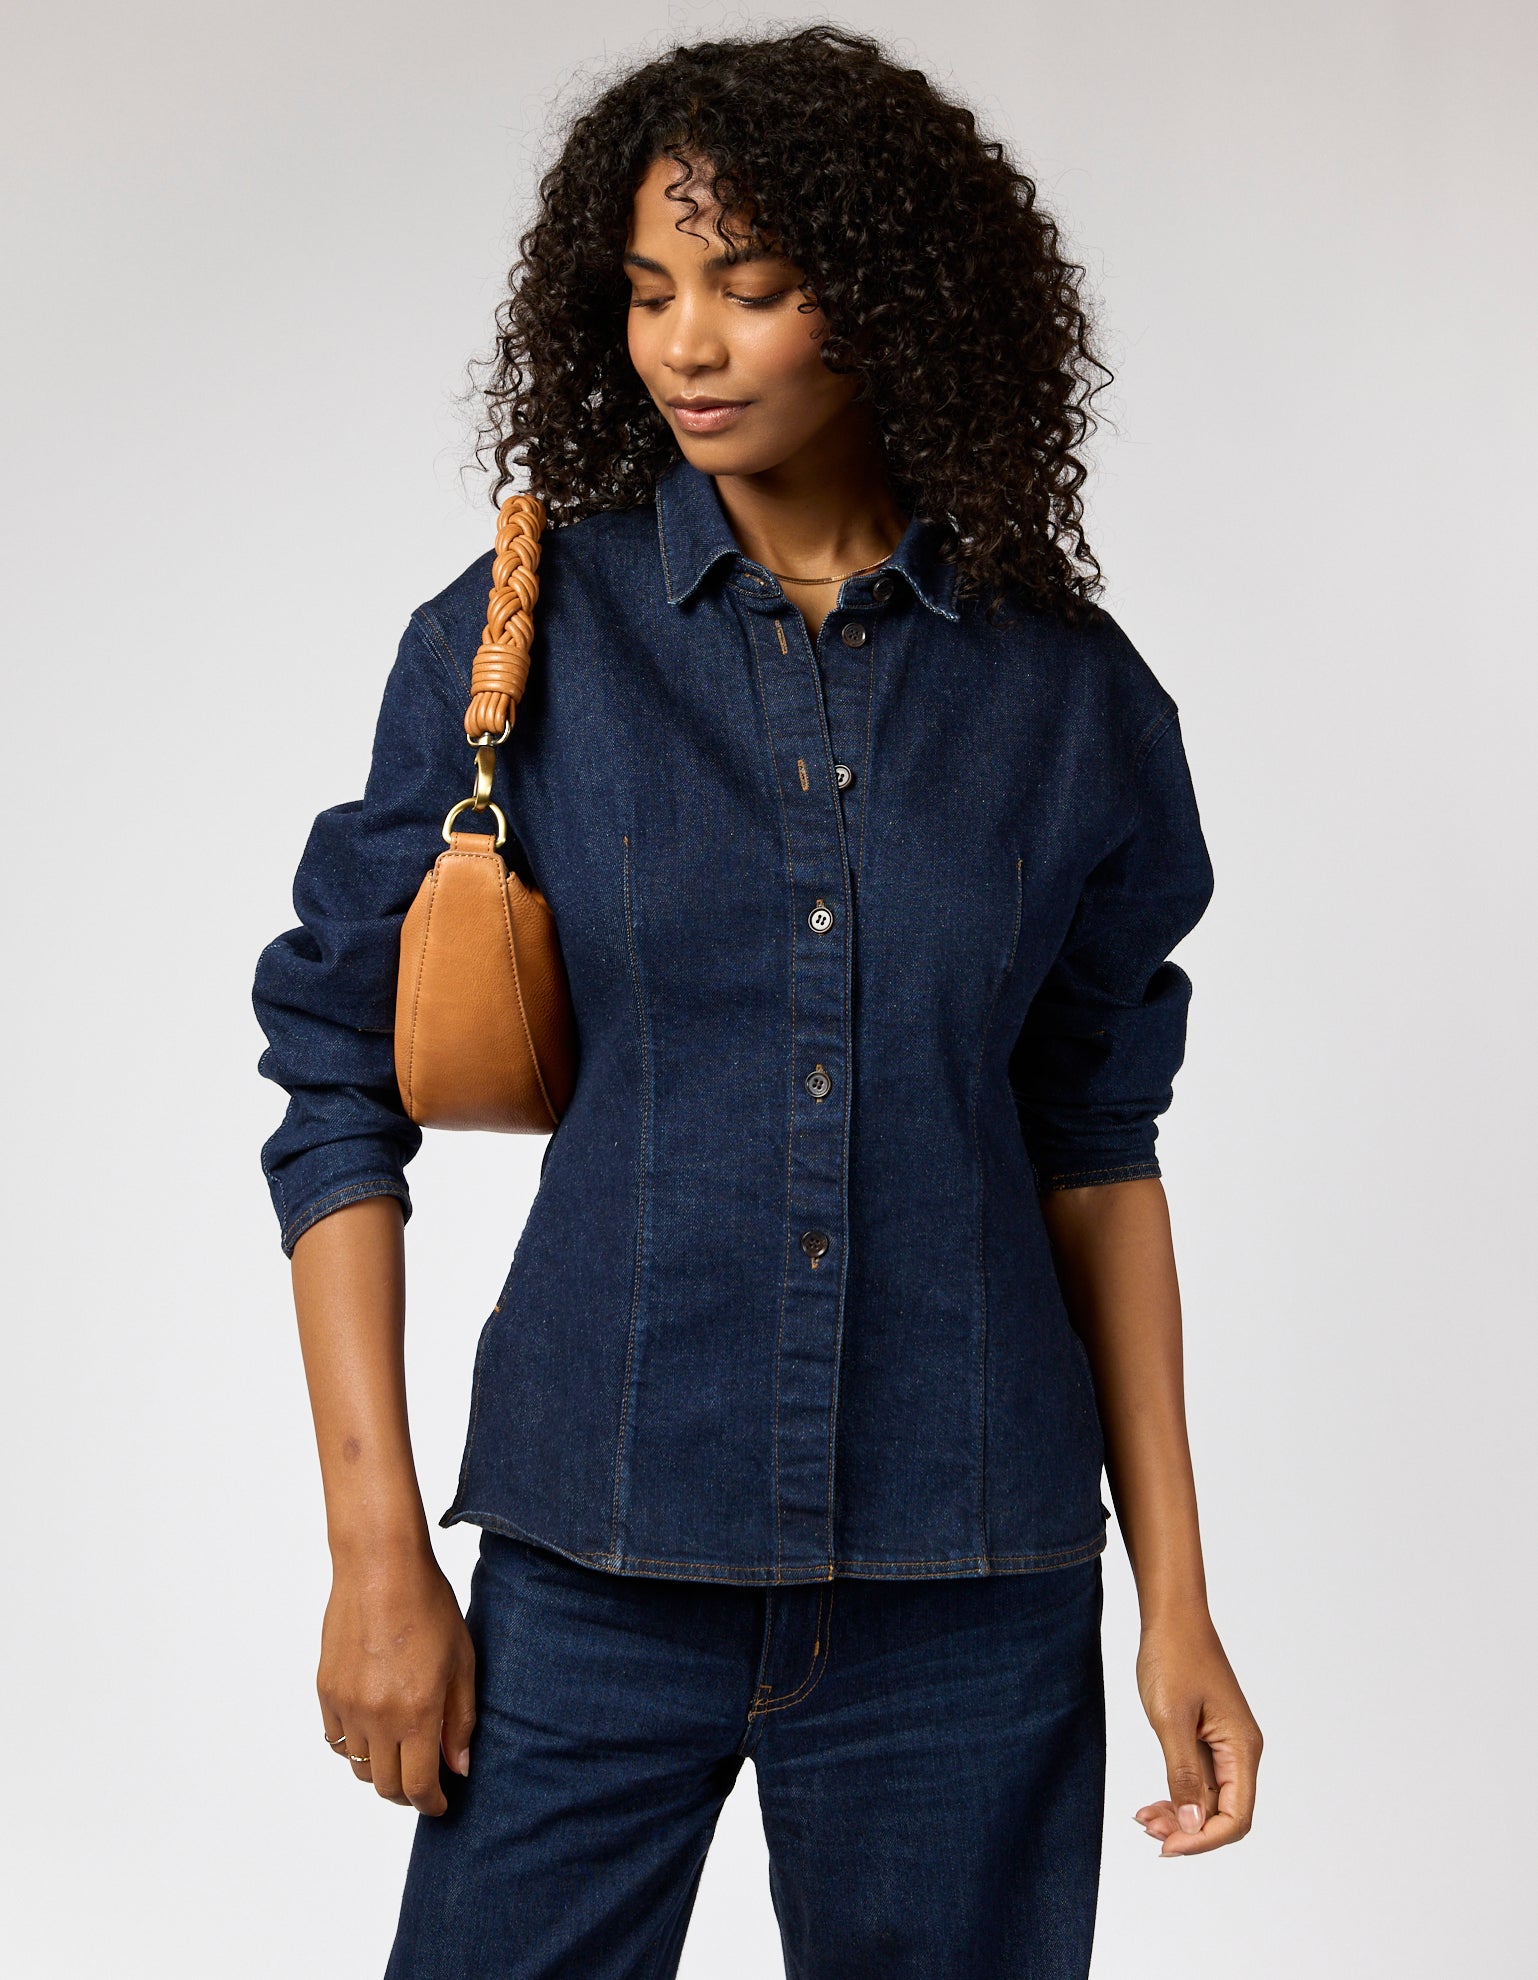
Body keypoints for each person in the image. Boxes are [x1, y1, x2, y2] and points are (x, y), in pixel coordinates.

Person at [253, 25, 1262, 1978]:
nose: (686, 345)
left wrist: (1179, 1601)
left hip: (971, 1586)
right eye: (646, 292)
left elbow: (1094, 1146)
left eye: (752, 287)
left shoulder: (1067, 697)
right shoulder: (521, 639)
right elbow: (332, 1086)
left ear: (884, 303)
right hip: (594, 1557)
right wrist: (375, 1552)